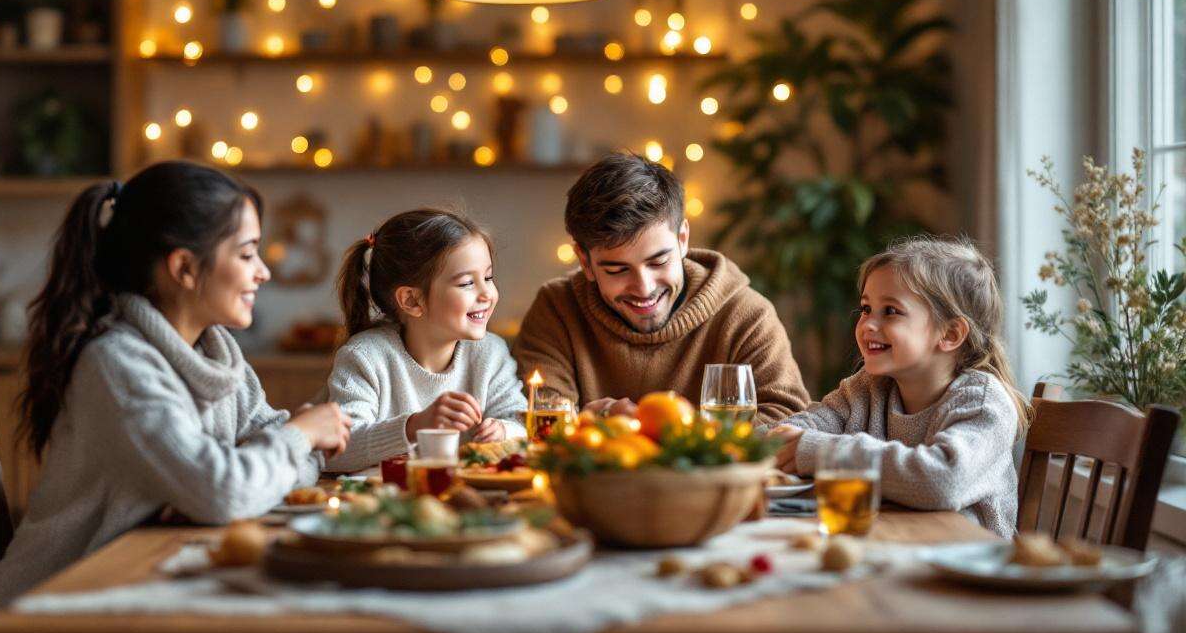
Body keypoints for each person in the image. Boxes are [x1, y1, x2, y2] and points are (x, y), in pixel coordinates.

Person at [0, 162, 350, 612]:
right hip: (61, 621)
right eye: (247, 253)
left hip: (146, 590)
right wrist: (299, 435)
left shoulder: (216, 355)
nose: (263, 273)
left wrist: (238, 478)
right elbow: (232, 490)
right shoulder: (118, 363)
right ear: (184, 268)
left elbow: (281, 472)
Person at [514, 152, 809, 423]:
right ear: (585, 261)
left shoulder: (745, 314)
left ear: (682, 239)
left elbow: (788, 420)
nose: (644, 288)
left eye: (658, 262)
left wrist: (654, 427)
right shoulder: (557, 308)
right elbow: (541, 421)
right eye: (617, 270)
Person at [771, 236, 1028, 537]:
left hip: (973, 571)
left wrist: (818, 452)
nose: (867, 324)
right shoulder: (867, 390)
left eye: (890, 311)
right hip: (894, 547)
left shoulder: (983, 402)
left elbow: (942, 481)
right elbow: (796, 431)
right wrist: (772, 443)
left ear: (950, 333)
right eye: (866, 309)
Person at [323, 208, 525, 472]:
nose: (487, 293)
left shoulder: (491, 353)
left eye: (488, 277)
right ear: (412, 300)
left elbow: (522, 424)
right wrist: (414, 426)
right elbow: (338, 451)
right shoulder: (364, 357)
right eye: (466, 283)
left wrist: (503, 431)